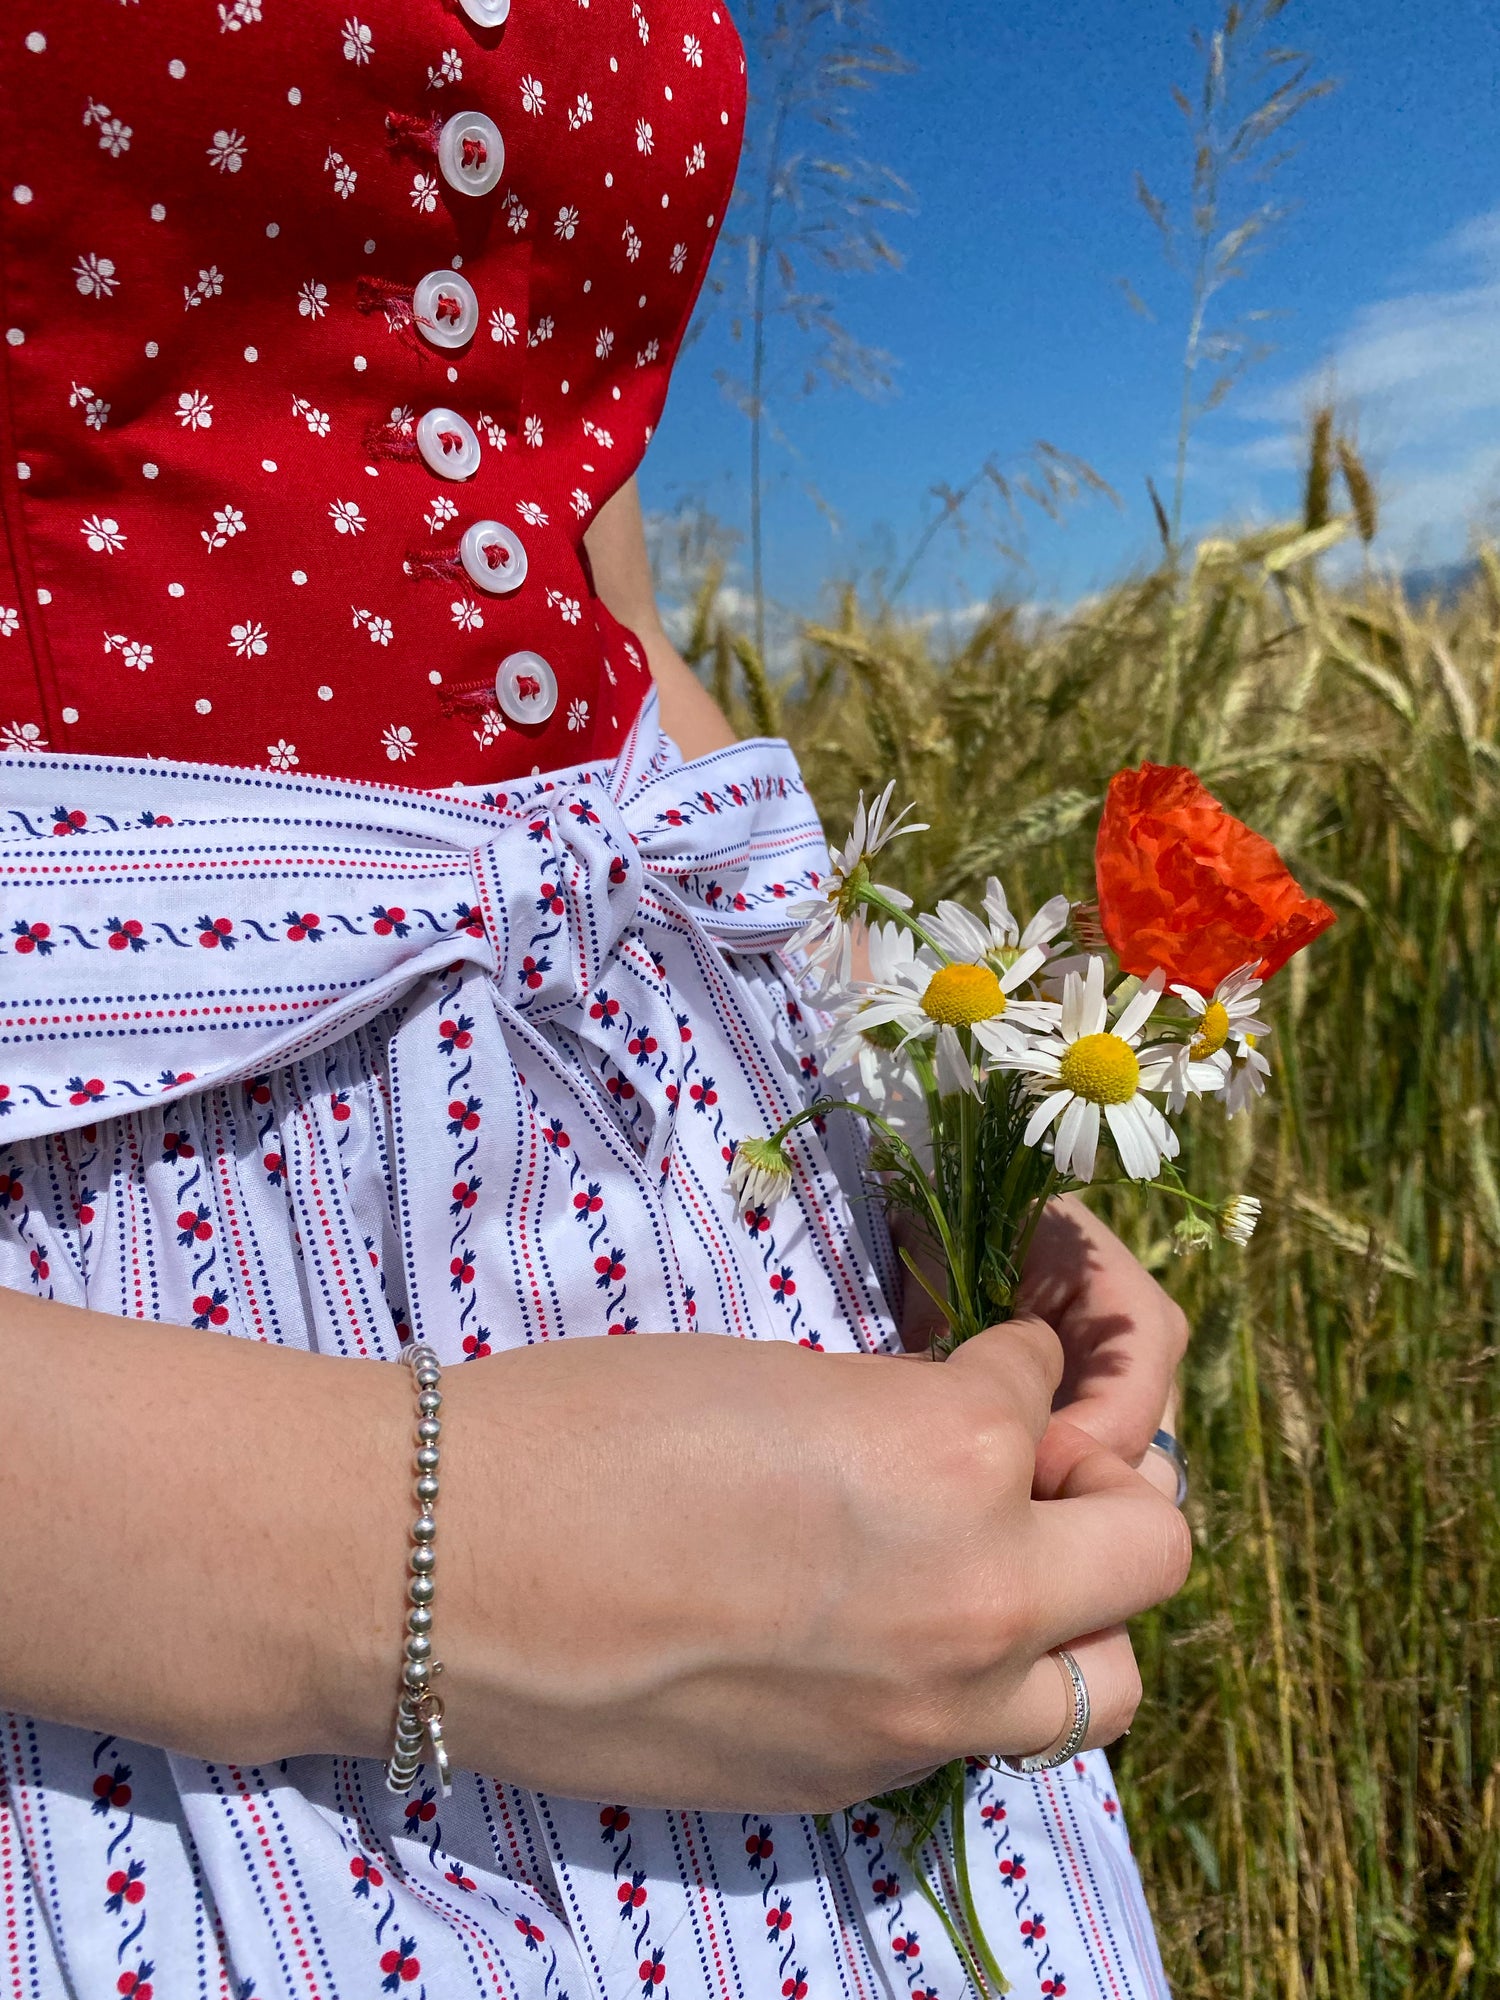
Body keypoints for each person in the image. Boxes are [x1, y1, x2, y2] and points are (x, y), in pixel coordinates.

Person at [0, 4, 1191, 1996]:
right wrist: (424, 1566)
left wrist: (924, 1119)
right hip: (123, 1418)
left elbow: (600, 615)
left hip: (697, 1218)